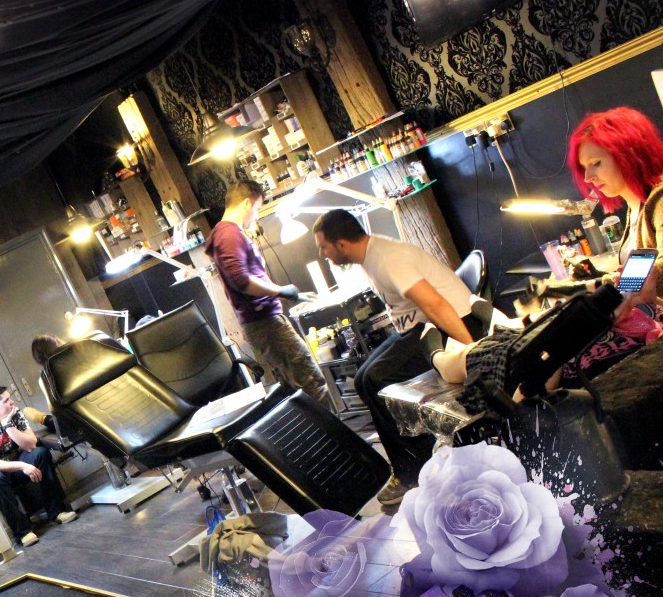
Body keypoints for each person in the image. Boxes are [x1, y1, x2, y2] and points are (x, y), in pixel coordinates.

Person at [313, 209, 483, 506]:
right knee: (363, 379)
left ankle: (416, 471)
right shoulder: (369, 256)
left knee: (377, 379)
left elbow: (435, 303)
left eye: (323, 247)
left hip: (452, 322)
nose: (322, 254)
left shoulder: (387, 258)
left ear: (341, 244)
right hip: (422, 325)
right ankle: (412, 463)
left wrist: (474, 351)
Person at [206, 179, 329, 405]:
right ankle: (333, 429)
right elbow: (241, 281)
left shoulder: (227, 234)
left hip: (263, 321)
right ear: (246, 203)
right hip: (264, 322)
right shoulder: (229, 235)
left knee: (299, 385)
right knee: (311, 381)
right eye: (257, 208)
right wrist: (281, 291)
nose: (256, 215)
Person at [567, 106, 663, 307]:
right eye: (585, 167)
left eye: (596, 163)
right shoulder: (635, 207)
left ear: (628, 154)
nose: (588, 177)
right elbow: (634, 280)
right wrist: (598, 277)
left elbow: (655, 273)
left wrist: (625, 282)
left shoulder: (660, 201)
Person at [0, 384, 76, 547]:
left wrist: (8, 426)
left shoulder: (15, 414)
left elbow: (31, 444)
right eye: (6, 400)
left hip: (16, 463)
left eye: (10, 398)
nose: (11, 402)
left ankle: (57, 512)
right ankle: (23, 532)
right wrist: (21, 465)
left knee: (40, 453)